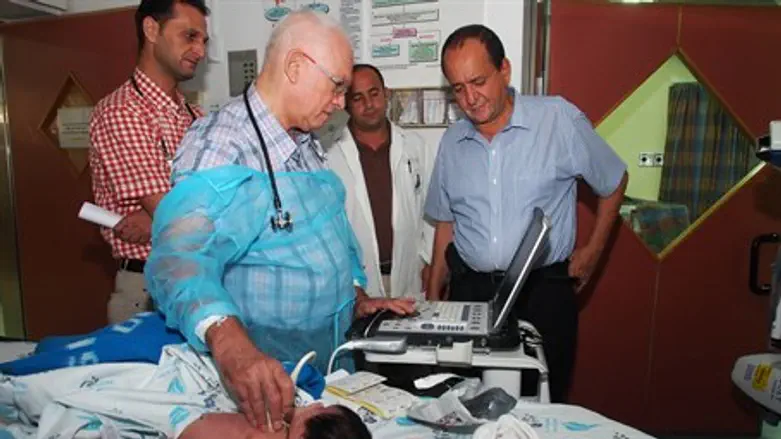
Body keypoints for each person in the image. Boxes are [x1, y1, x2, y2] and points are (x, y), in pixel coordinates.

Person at [145, 10, 415, 435]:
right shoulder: (221, 142)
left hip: (325, 367)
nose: (342, 103)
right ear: (295, 67)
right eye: (337, 85)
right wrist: (231, 345)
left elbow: (328, 238)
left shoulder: (306, 142)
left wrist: (357, 295)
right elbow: (179, 262)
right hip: (263, 384)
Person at [424, 24, 628, 402]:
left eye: (478, 81)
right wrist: (434, 293)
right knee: (467, 400)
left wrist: (593, 252)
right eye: (458, 88)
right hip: (471, 294)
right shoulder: (452, 142)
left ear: (505, 70)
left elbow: (614, 180)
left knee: (544, 404)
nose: (470, 98)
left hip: (543, 293)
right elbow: (446, 222)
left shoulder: (558, 120)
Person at [88, 0, 208, 324]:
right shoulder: (121, 111)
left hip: (202, 279)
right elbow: (181, 216)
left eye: (203, 41)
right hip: (147, 290)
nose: (199, 51)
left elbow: (225, 197)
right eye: (190, 36)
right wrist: (162, 214)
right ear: (151, 29)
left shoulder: (196, 117)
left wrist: (156, 215)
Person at [326, 63, 436, 300]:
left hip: (410, 273)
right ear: (346, 103)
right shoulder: (329, 154)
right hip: (356, 282)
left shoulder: (415, 146)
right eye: (358, 98)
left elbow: (432, 210)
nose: (368, 104)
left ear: (386, 94)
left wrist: (429, 261)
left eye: (374, 94)